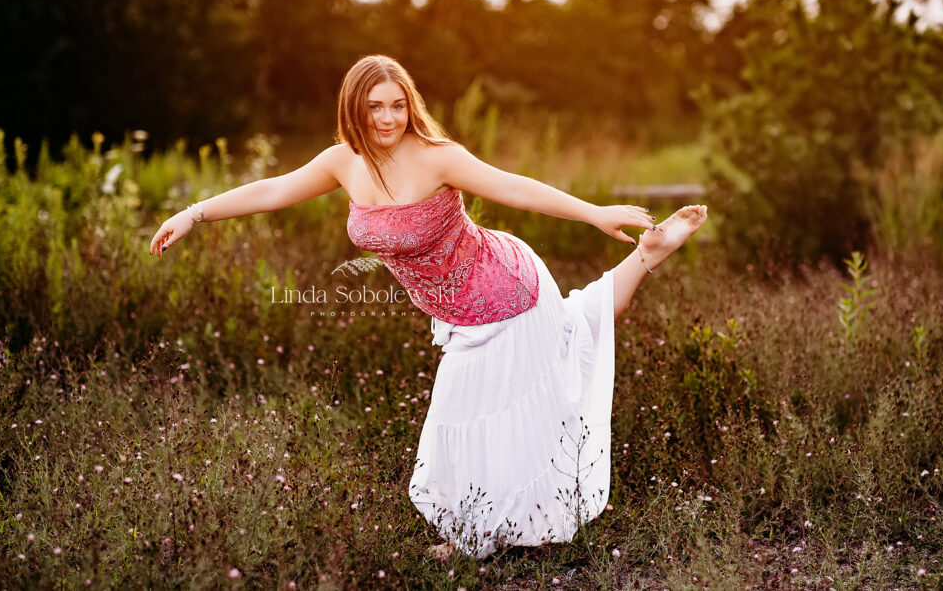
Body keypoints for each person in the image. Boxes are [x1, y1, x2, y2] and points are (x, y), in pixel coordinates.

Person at [149, 54, 707, 561]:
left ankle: (474, 539)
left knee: (468, 408)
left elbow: (514, 188)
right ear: (354, 109)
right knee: (562, 343)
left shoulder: (437, 156)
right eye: (374, 107)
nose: (388, 118)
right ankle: (647, 257)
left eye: (397, 105)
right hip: (457, 311)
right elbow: (271, 190)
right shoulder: (344, 162)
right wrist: (194, 214)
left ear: (409, 104)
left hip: (505, 290)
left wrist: (593, 213)